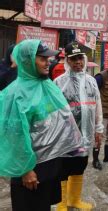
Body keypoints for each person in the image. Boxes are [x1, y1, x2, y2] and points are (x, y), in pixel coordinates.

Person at [0, 39, 82, 211]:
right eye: (42, 58)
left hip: (49, 166)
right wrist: (25, 170)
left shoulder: (46, 85)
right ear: (28, 61)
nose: (48, 62)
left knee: (44, 206)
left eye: (48, 58)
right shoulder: (15, 93)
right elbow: (14, 136)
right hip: (30, 171)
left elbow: (59, 117)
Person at [54, 41, 104, 210]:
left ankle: (74, 200)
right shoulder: (58, 82)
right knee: (63, 169)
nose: (78, 62)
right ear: (67, 60)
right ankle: (61, 203)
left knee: (79, 166)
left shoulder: (91, 81)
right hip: (65, 136)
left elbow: (97, 105)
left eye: (80, 58)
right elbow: (51, 109)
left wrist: (99, 128)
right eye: (73, 59)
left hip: (86, 135)